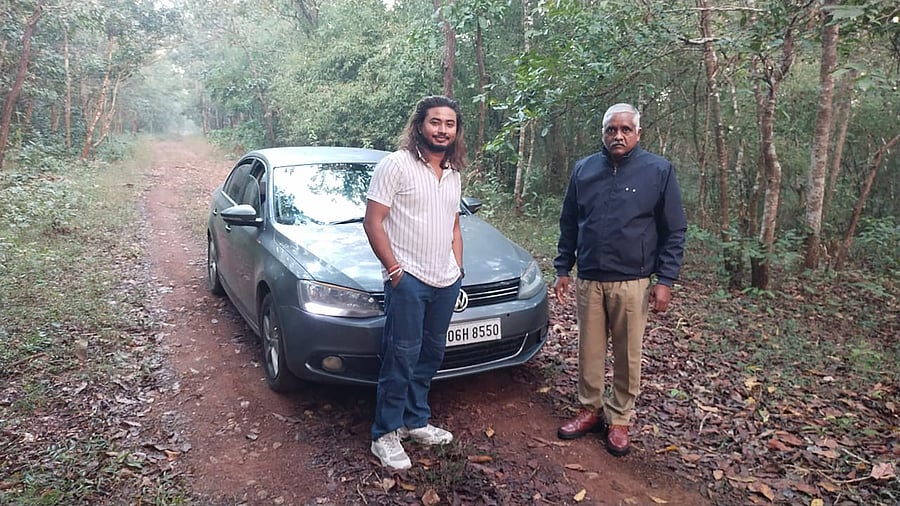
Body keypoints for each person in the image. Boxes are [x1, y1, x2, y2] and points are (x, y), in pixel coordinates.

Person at [553, 103, 687, 456]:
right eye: (612, 129)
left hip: (634, 281)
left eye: (626, 129)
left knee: (629, 354)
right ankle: (590, 409)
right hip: (590, 278)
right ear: (603, 133)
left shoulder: (658, 171)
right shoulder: (584, 170)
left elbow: (674, 230)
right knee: (590, 350)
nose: (618, 135)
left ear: (638, 133)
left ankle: (620, 418)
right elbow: (569, 223)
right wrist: (563, 268)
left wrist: (666, 280)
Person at [363, 95, 467, 470]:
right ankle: (385, 433)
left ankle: (415, 420)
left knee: (431, 355)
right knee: (401, 356)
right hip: (408, 280)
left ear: (456, 130)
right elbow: (372, 221)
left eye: (449, 124)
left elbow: (453, 224)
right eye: (435, 122)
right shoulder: (396, 165)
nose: (442, 130)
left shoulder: (453, 173)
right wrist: (394, 271)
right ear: (420, 124)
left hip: (445, 281)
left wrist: (459, 269)